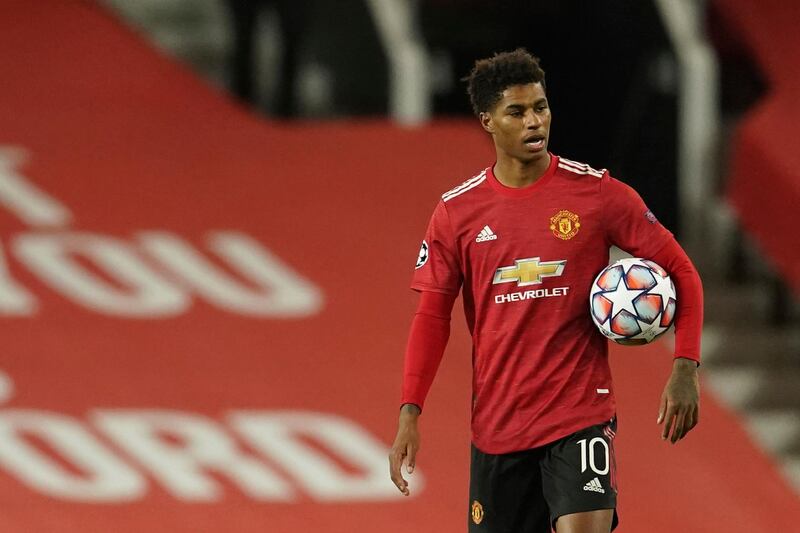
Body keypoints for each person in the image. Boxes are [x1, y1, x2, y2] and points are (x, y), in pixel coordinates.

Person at [388, 49, 703, 533]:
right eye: (517, 112)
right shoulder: (457, 213)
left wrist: (685, 365)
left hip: (579, 415)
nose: (534, 121)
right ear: (487, 121)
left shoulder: (597, 195)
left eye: (541, 107)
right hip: (498, 427)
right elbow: (432, 317)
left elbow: (681, 269)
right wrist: (410, 411)